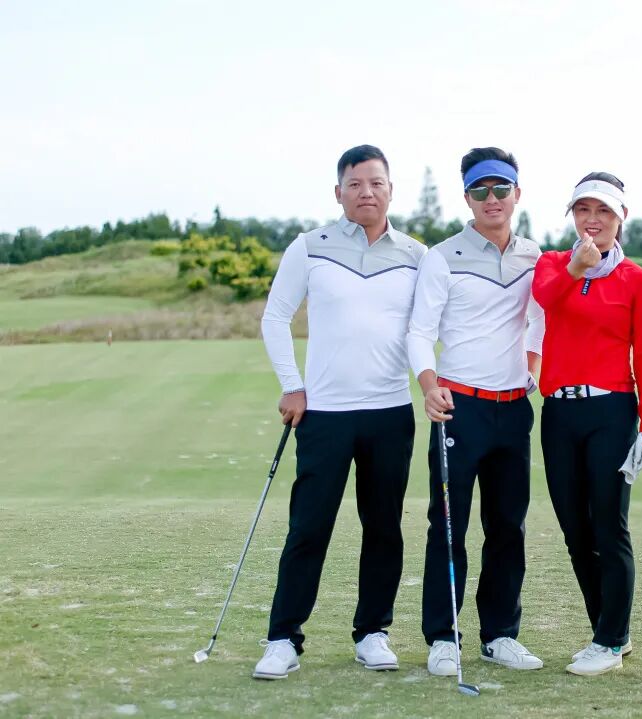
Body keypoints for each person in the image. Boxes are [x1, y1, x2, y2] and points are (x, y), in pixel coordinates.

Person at [253, 145, 426, 680]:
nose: (366, 192)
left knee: (384, 528)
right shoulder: (310, 247)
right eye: (355, 184)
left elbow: (428, 329)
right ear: (338, 192)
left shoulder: (418, 255)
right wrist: (292, 386)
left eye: (376, 183)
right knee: (308, 527)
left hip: (390, 412)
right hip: (324, 414)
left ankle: (373, 633)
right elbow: (275, 317)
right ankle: (283, 638)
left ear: (391, 190)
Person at [406, 147, 546, 676]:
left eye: (501, 189)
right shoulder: (442, 256)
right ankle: (443, 637)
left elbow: (540, 320)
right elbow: (420, 331)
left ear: (516, 193)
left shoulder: (534, 256)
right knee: (448, 524)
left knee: (508, 526)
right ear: (467, 197)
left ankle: (501, 634)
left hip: (513, 409)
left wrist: (534, 364)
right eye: (480, 190)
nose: (492, 199)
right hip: (457, 406)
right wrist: (429, 385)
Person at [531, 172, 642, 676]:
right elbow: (545, 298)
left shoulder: (636, 281)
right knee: (574, 529)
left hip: (611, 412)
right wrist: (576, 268)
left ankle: (609, 641)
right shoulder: (552, 264)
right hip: (560, 413)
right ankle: (609, 633)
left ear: (620, 218)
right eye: (583, 210)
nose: (592, 220)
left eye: (603, 211)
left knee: (609, 526)